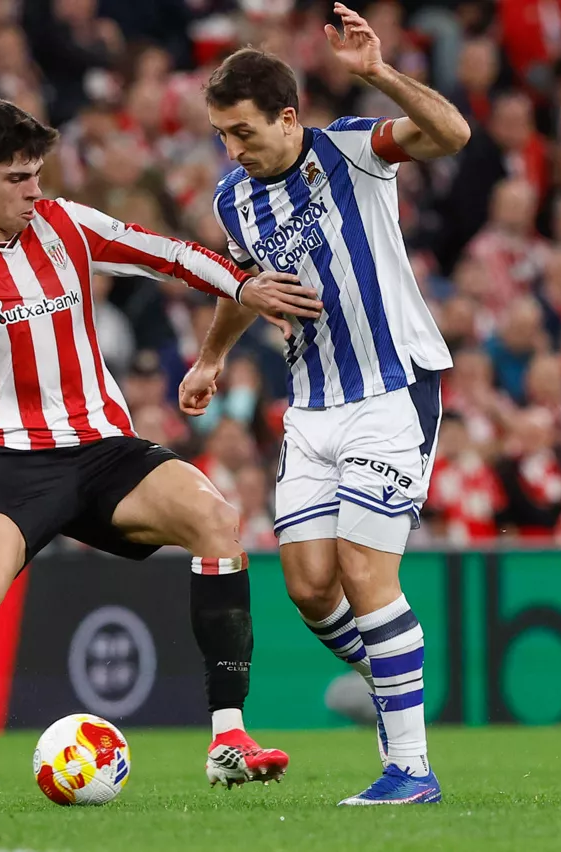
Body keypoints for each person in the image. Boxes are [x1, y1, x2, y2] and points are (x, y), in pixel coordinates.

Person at [0, 97, 322, 811]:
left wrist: (242, 284)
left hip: (103, 447)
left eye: (38, 174)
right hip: (7, 457)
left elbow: (167, 253)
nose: (34, 191)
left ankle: (227, 739)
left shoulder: (65, 224)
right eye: (17, 178)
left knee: (216, 521)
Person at [179, 3, 469, 806]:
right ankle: (395, 690)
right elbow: (246, 285)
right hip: (310, 407)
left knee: (365, 572)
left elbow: (452, 135)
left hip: (389, 387)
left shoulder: (351, 148)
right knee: (310, 585)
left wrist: (378, 73)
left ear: (286, 116)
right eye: (220, 135)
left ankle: (410, 766)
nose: (231, 149)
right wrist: (212, 356)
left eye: (241, 131)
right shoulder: (234, 198)